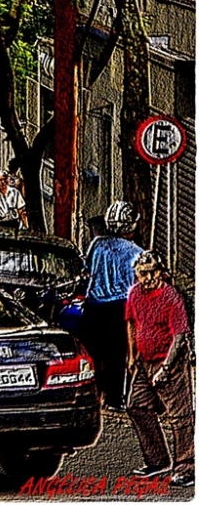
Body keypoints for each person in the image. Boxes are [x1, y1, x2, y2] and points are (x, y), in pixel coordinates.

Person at [125, 251, 194, 487]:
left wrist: (165, 367)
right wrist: (133, 356)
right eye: (142, 274)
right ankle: (157, 460)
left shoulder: (171, 296)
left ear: (159, 272)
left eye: (151, 272)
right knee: (136, 405)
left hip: (169, 361)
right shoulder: (134, 294)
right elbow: (132, 323)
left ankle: (187, 467)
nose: (147, 278)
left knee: (179, 415)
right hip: (145, 360)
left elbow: (180, 336)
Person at [80, 201, 144, 410]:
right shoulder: (136, 252)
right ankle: (114, 399)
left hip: (93, 307)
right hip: (119, 308)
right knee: (116, 355)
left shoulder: (96, 244)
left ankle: (95, 396)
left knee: (94, 354)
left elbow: (87, 271)